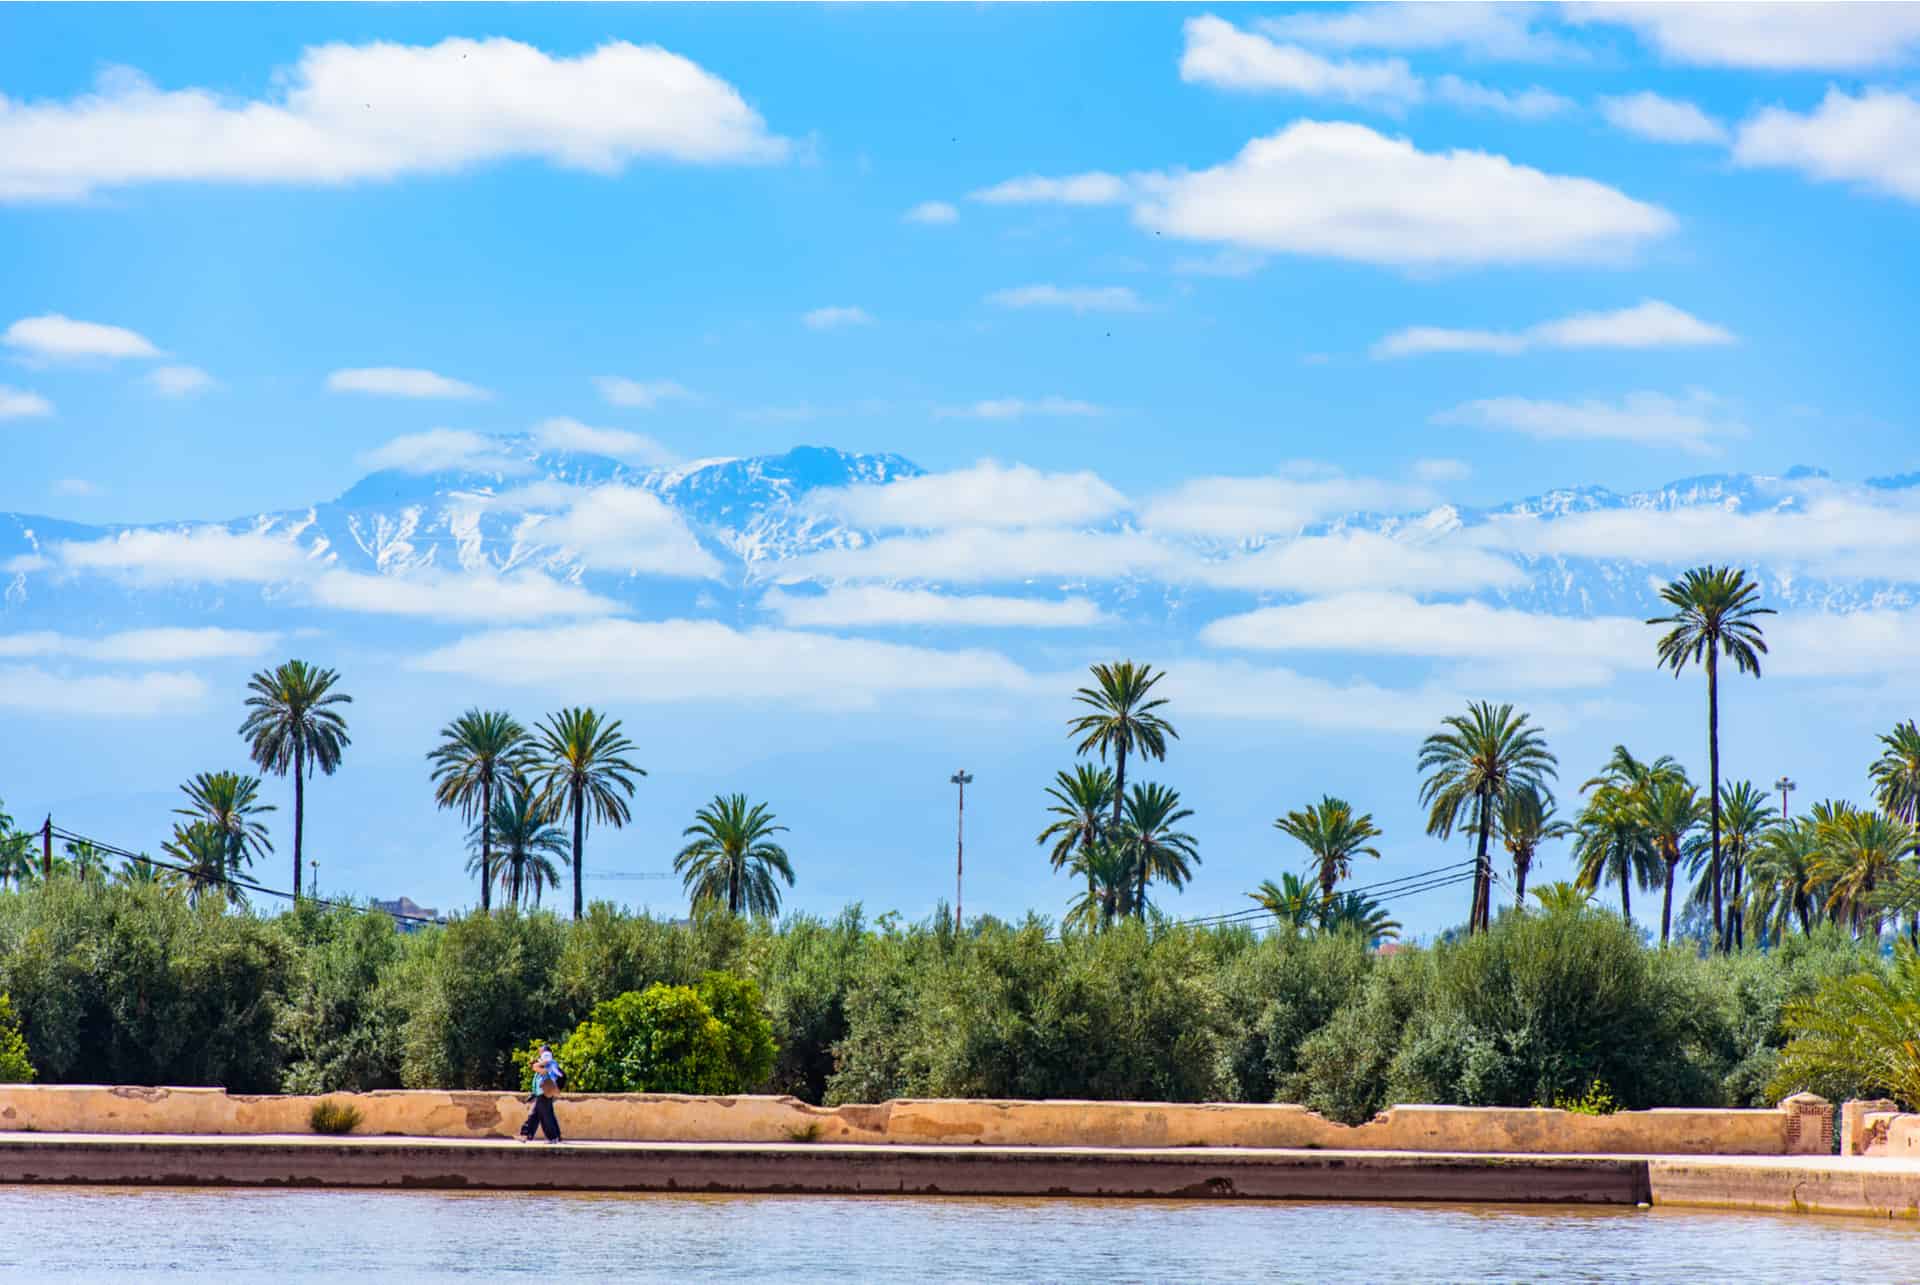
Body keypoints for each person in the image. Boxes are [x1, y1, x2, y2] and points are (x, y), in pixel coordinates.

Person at [518, 1042, 564, 1144]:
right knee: (538, 1115)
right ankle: (526, 1135)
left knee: (544, 1116)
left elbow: (536, 1068)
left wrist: (539, 1062)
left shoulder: (550, 1065)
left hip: (544, 1092)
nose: (540, 1054)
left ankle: (552, 1137)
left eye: (541, 1052)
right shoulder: (549, 1064)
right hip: (542, 1093)